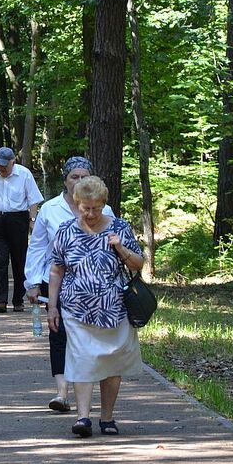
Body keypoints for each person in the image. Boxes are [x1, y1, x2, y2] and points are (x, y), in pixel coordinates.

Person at [47, 175, 144, 439]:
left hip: (114, 309)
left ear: (104, 204)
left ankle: (107, 417)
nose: (90, 213)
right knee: (82, 359)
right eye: (85, 208)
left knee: (111, 362)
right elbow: (56, 270)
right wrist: (52, 307)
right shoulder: (66, 231)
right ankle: (83, 417)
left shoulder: (120, 228)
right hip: (76, 308)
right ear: (77, 204)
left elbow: (138, 264)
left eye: (96, 208)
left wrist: (120, 248)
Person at [24, 156, 115, 413]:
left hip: (98, 289)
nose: (79, 181)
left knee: (91, 340)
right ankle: (62, 392)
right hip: (57, 282)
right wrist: (31, 282)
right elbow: (38, 246)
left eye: (84, 176)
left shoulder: (105, 210)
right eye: (74, 176)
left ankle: (88, 394)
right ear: (65, 180)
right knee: (60, 335)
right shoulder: (50, 210)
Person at [0, 147, 43, 313]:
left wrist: (32, 221)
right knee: (1, 260)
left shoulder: (24, 174)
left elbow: (33, 200)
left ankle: (18, 300)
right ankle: (0, 301)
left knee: (19, 261)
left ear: (12, 162)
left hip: (18, 220)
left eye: (4, 166)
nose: (0, 169)